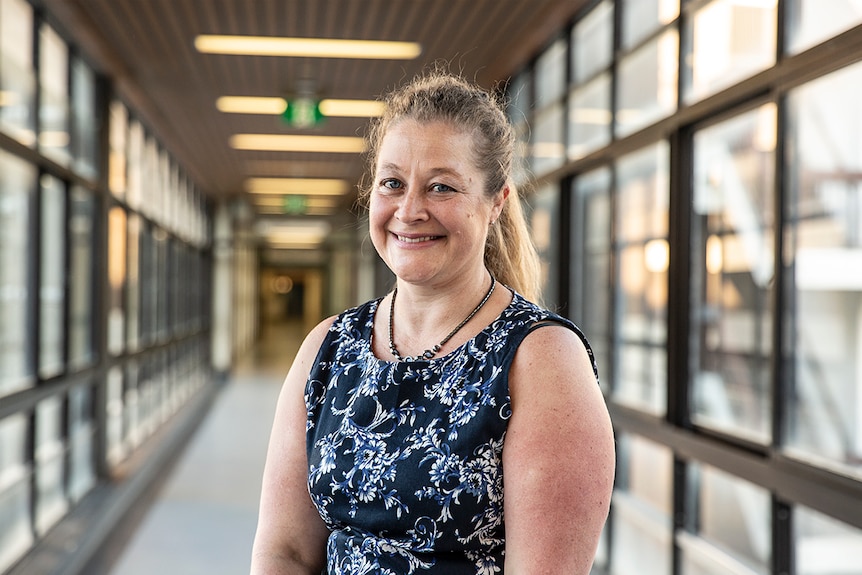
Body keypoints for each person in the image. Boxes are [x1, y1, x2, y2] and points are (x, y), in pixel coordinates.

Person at [250, 69, 615, 575]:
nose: (410, 209)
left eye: (441, 187)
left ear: (495, 203)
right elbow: (283, 552)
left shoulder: (542, 359)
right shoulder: (328, 347)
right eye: (392, 183)